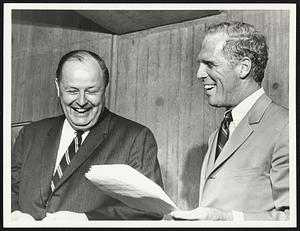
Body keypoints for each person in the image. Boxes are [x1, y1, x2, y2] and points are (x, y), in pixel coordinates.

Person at [11, 50, 164, 221]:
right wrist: (13, 215)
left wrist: (86, 220)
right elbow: (9, 190)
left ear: (105, 88)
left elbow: (149, 210)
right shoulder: (30, 134)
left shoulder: (136, 138)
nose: (82, 101)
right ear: (58, 87)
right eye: (72, 91)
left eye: (91, 91)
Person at [171, 22, 289, 221]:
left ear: (243, 67)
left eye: (210, 64)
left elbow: (291, 218)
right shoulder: (217, 136)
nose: (199, 74)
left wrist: (228, 219)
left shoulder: (287, 127)